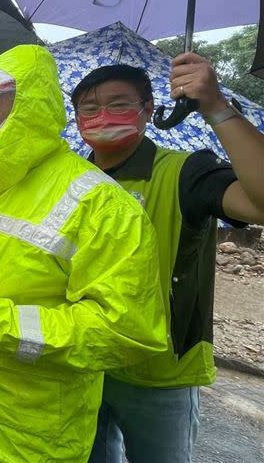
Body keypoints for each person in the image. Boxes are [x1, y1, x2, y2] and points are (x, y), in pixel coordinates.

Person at [0, 45, 169, 463]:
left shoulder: (102, 204)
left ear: (28, 109)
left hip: (34, 437)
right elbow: (14, 256)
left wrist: (2, 322)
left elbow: (125, 333)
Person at [70, 58, 264, 463]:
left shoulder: (185, 173)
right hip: (84, 361)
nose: (102, 115)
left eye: (119, 104)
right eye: (89, 108)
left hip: (161, 375)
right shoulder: (69, 180)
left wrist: (215, 106)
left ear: (147, 109)